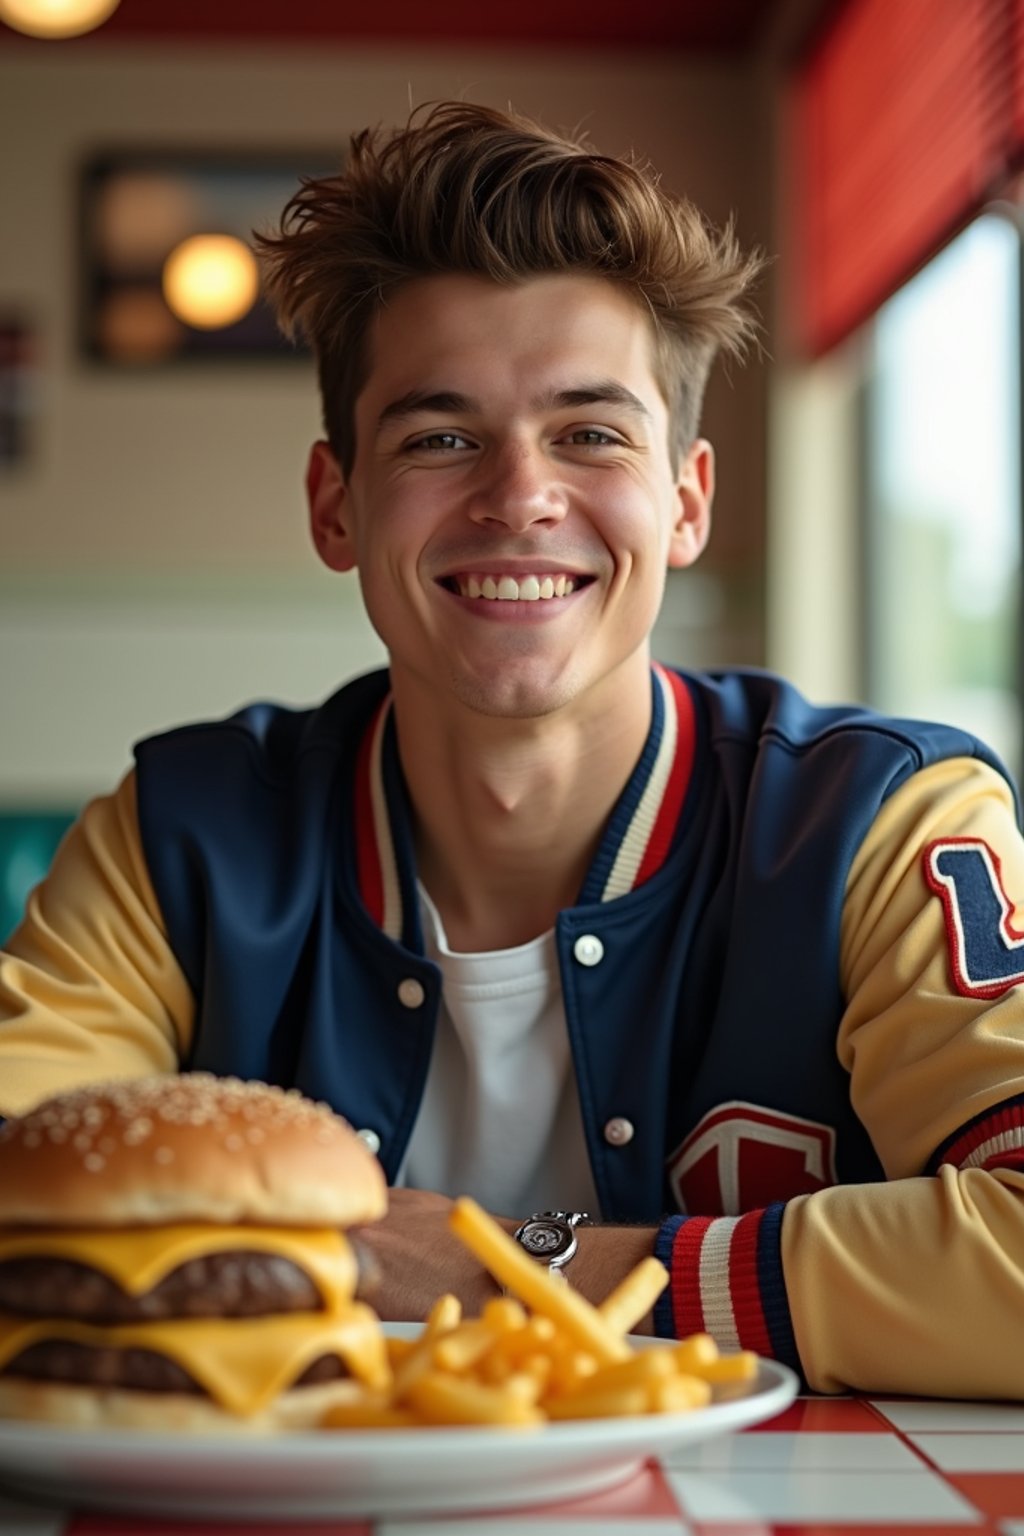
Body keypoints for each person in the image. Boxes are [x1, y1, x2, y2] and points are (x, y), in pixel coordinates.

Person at [2, 100, 1024, 1402]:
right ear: (337, 504)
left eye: (591, 432)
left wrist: (518, 1268)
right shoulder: (183, 833)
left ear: (688, 500)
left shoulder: (876, 821)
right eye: (439, 437)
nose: (520, 494)